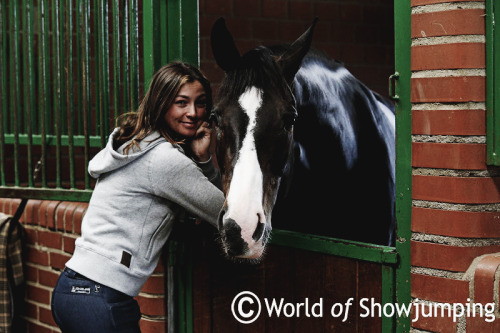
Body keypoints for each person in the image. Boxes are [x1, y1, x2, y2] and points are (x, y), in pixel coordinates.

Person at [51, 62, 224, 332]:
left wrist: (199, 158)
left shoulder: (137, 145)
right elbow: (222, 212)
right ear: (161, 103)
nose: (193, 112)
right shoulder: (164, 160)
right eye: (181, 102)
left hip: (73, 290)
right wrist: (205, 161)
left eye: (200, 103)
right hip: (100, 297)